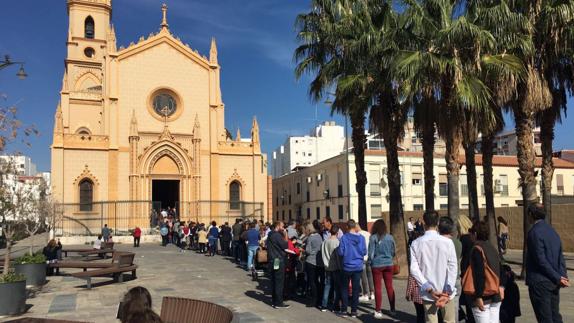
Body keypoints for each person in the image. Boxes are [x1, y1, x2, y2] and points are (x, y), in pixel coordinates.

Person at [410, 210, 457, 323]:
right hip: (446, 291)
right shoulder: (448, 242)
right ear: (437, 224)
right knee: (449, 320)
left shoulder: (416, 243)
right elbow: (453, 267)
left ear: (424, 223)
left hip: (429, 292)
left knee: (431, 321)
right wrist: (447, 290)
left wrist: (428, 288)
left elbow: (414, 269)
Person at [525, 204, 569, 323]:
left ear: (531, 215)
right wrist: (562, 276)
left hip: (540, 282)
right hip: (553, 282)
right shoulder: (552, 231)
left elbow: (540, 260)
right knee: (555, 316)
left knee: (545, 318)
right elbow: (560, 256)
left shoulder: (534, 233)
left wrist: (558, 277)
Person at [466, 221, 505, 323]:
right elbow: (501, 268)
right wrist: (501, 286)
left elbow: (479, 274)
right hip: (495, 295)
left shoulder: (476, 249)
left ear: (475, 234)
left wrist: (478, 296)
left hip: (483, 297)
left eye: (471, 233)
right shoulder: (492, 248)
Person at [338, 219, 367, 318]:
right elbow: (364, 252)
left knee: (344, 288)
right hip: (358, 266)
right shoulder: (362, 238)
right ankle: (354, 311)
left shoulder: (344, 238)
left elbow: (340, 252)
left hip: (347, 266)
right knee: (355, 289)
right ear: (355, 226)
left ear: (347, 227)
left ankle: (344, 310)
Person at [368, 219, 396, 319]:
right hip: (389, 264)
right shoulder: (390, 237)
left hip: (377, 265)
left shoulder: (373, 237)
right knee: (390, 287)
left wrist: (370, 262)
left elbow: (371, 254)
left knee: (378, 288)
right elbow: (393, 252)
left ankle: (378, 310)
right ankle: (392, 309)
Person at [439, 216, 462, 323]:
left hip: (442, 278)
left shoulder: (439, 242)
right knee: (454, 307)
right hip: (456, 276)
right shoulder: (457, 242)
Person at [266, 221, 290, 309]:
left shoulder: (270, 234)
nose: (283, 228)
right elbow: (285, 245)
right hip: (278, 260)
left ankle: (274, 300)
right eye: (282, 226)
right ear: (278, 226)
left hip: (272, 260)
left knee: (273, 281)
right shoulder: (277, 235)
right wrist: (286, 234)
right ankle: (279, 303)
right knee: (279, 281)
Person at [321, 224, 342, 312]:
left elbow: (322, 254)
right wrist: (340, 266)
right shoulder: (337, 242)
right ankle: (336, 306)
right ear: (337, 233)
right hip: (336, 267)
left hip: (327, 267)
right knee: (336, 287)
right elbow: (338, 257)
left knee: (327, 286)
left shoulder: (325, 242)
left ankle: (324, 305)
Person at [305, 220, 324, 309]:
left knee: (312, 281)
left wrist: (303, 249)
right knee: (317, 281)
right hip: (319, 261)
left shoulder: (310, 238)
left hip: (311, 261)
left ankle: (313, 300)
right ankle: (319, 299)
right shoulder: (319, 236)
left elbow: (308, 250)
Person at [358, 225, 375, 303]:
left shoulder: (358, 235)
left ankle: (365, 294)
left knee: (363, 277)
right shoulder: (368, 233)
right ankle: (372, 293)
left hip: (362, 258)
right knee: (370, 276)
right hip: (369, 257)